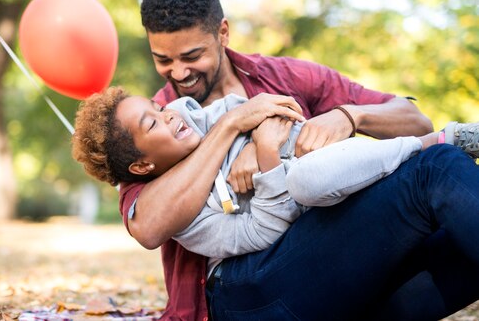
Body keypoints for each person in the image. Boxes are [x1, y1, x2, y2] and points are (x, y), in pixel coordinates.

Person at [115, 0, 479, 320]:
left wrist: (350, 116)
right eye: (163, 60)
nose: (179, 73)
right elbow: (147, 226)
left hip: (324, 263)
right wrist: (233, 129)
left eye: (192, 56)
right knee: (436, 169)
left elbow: (414, 119)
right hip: (245, 289)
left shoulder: (285, 77)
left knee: (458, 239)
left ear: (222, 33)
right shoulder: (153, 128)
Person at [72, 86, 479, 265]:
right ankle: (432, 144)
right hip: (313, 200)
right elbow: (255, 233)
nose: (170, 115)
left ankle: (440, 140)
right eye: (153, 123)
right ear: (141, 166)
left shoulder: (202, 114)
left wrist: (253, 137)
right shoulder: (186, 214)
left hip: (328, 153)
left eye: (159, 108)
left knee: (317, 173)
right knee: (306, 181)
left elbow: (265, 109)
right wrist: (267, 162)